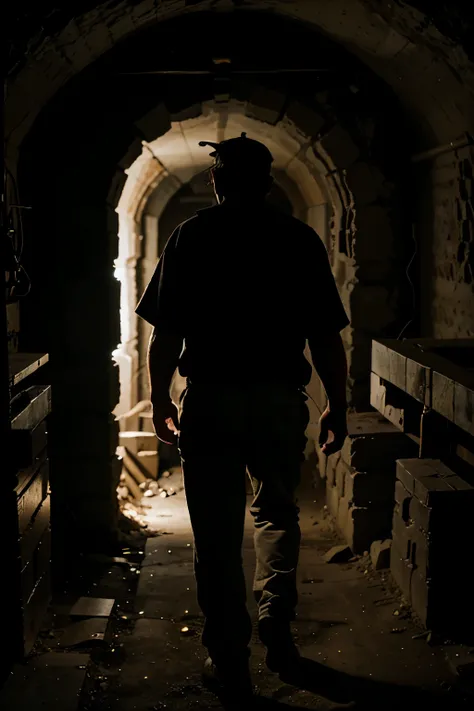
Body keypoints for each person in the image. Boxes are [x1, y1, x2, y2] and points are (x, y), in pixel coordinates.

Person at [135, 132, 349, 702]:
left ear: (216, 181)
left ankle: (229, 656)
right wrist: (337, 404)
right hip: (279, 401)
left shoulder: (190, 237)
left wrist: (159, 399)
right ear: (269, 181)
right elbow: (325, 336)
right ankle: (277, 630)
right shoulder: (298, 240)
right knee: (277, 514)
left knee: (216, 533)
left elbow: (166, 334)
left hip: (210, 400)